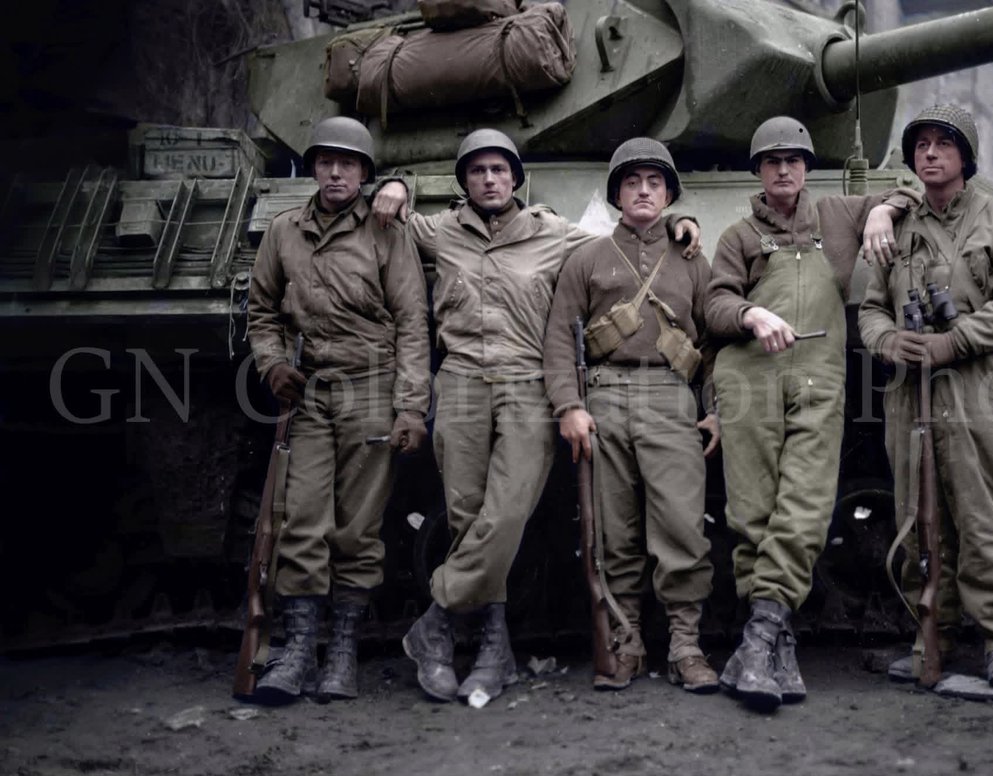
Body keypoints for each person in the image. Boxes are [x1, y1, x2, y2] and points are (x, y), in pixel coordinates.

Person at [370, 130, 700, 704]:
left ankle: (436, 622)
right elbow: (391, 216)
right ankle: (494, 651)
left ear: (516, 178)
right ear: (464, 182)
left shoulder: (554, 233)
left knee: (506, 513)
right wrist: (396, 183)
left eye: (500, 169)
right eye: (477, 171)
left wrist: (679, 221)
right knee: (468, 517)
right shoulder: (441, 230)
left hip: (525, 384)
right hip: (464, 382)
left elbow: (626, 239)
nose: (490, 179)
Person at [704, 116, 915, 710]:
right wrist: (750, 315)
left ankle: (759, 635)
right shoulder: (740, 236)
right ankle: (776, 645)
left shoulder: (839, 215)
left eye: (794, 160)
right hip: (749, 377)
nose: (784, 169)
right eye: (772, 161)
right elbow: (715, 302)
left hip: (819, 377)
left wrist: (881, 210)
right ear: (759, 172)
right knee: (752, 511)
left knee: (805, 506)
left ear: (807, 167)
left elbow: (915, 190)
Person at [857, 104, 993, 689]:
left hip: (977, 383)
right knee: (918, 515)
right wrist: (889, 341)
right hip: (910, 389)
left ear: (966, 156)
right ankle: (931, 628)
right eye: (921, 145)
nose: (930, 153)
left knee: (983, 511)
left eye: (943, 144)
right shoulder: (897, 226)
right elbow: (870, 307)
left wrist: (953, 341)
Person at [246, 116, 430, 704]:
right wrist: (273, 364)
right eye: (326, 161)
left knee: (358, 528)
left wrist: (410, 409)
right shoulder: (283, 232)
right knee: (301, 522)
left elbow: (411, 323)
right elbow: (262, 311)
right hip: (310, 394)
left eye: (348, 163)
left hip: (372, 390)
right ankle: (297, 652)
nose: (335, 171)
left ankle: (342, 653)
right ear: (313, 167)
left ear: (364, 174)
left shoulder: (385, 233)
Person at [542, 138, 720, 693]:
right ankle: (626, 640)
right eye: (632, 182)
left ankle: (686, 645)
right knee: (614, 534)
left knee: (683, 529)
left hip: (671, 397)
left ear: (668, 194)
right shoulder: (587, 259)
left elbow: (714, 343)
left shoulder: (692, 259)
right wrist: (569, 406)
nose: (643, 191)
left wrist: (714, 410)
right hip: (604, 399)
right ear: (618, 193)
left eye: (655, 183)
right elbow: (556, 339)